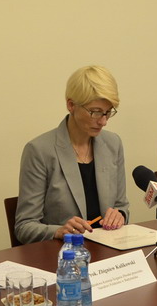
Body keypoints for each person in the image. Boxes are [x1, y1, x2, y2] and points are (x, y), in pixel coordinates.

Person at [16, 65, 129, 244]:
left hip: (108, 250)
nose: (103, 121)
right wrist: (58, 231)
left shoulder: (113, 144)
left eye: (108, 112)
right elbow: (24, 227)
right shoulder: (39, 150)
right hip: (64, 254)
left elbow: (121, 206)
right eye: (95, 112)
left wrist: (119, 215)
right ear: (71, 105)